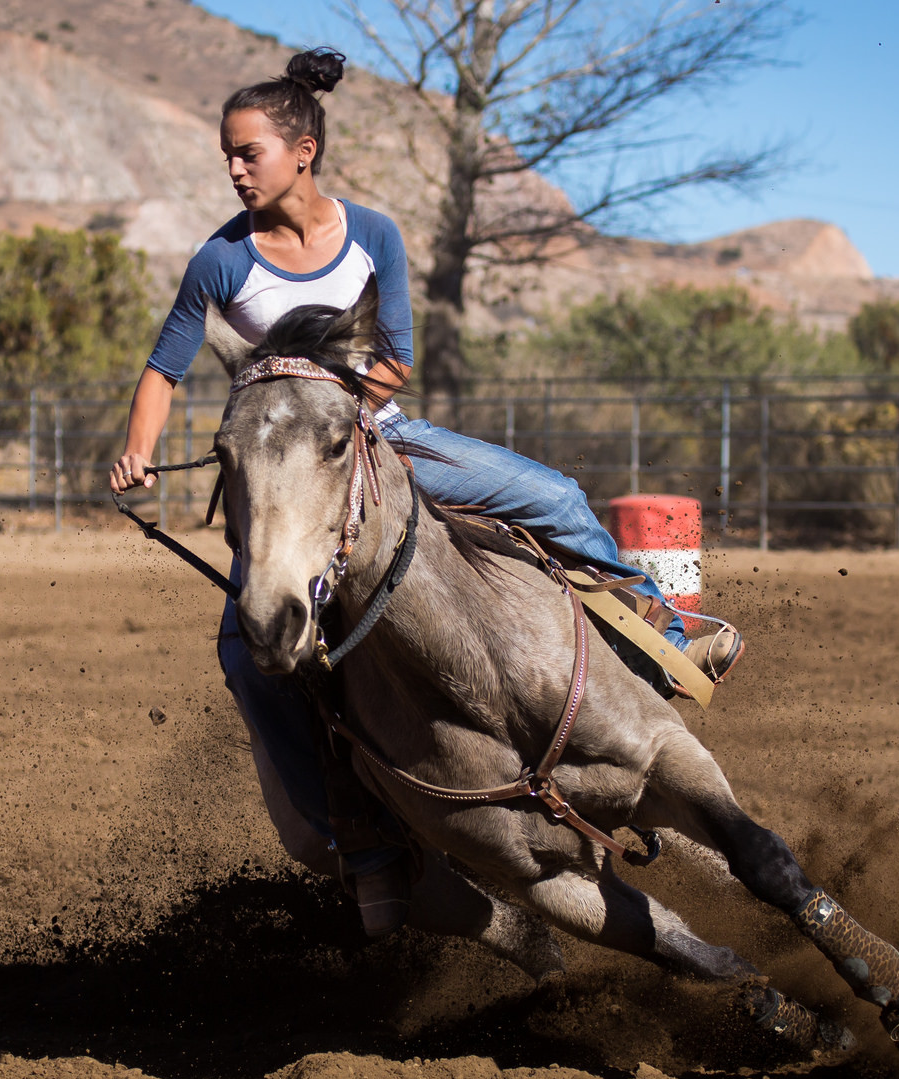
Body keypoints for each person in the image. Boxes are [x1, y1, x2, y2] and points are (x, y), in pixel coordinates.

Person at [108, 47, 740, 938]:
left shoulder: (373, 236)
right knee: (248, 663)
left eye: (248, 151)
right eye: (228, 153)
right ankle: (360, 841)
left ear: (304, 150)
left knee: (554, 498)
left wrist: (335, 413)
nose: (234, 167)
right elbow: (165, 367)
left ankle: (668, 643)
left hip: (375, 435)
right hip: (289, 470)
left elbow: (396, 359)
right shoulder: (221, 259)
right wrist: (138, 450)